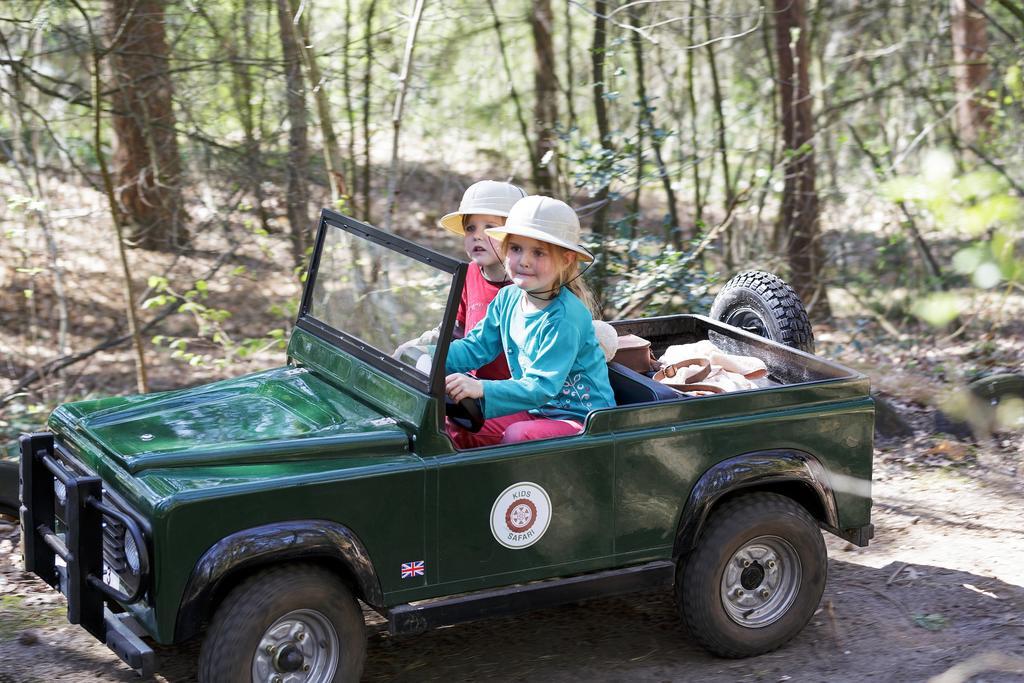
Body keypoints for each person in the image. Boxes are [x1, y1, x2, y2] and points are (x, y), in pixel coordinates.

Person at [444, 195, 616, 449]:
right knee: (459, 420)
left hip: (581, 419)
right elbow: (477, 347)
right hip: (536, 408)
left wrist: (481, 387)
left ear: (566, 260)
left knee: (518, 437)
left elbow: (541, 386)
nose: (524, 260)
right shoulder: (508, 297)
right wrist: (432, 359)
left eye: (538, 252)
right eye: (516, 249)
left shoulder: (565, 317)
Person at [438, 180, 526, 380]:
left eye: (490, 228)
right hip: (465, 383)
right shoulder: (469, 272)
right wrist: (425, 344)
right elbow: (457, 328)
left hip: (509, 393)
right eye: (470, 228)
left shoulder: (526, 287)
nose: (477, 236)